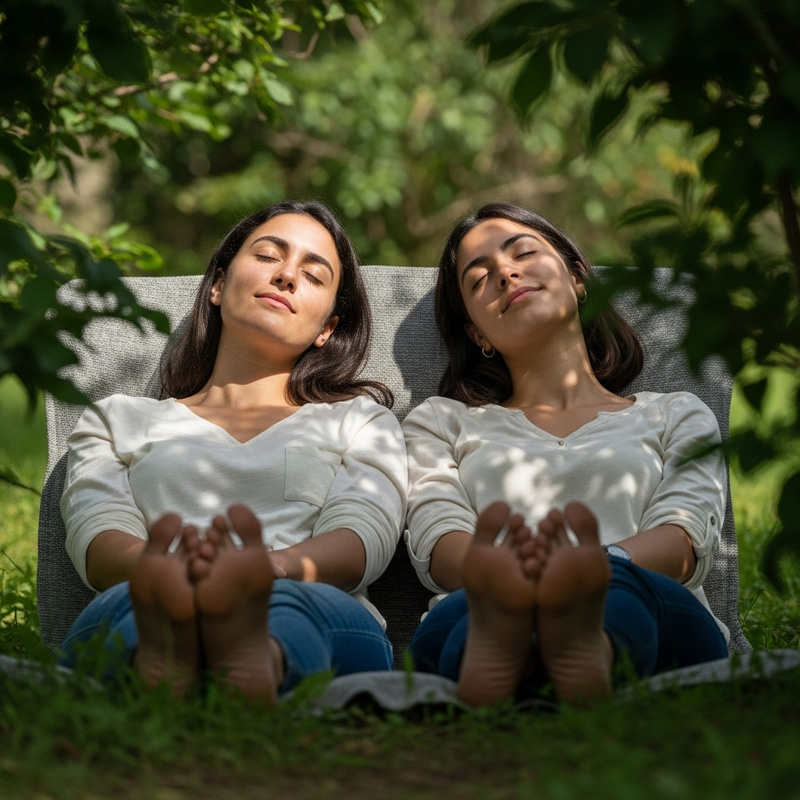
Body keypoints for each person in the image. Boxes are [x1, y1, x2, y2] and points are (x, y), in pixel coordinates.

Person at [59, 200, 407, 704]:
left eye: (313, 275)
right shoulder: (117, 420)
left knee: (291, 608)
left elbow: (363, 538)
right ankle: (171, 653)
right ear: (218, 285)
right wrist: (170, 574)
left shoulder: (359, 419)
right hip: (150, 589)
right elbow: (97, 534)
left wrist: (262, 571)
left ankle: (252, 658)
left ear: (327, 327)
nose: (287, 275)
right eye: (268, 255)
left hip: (305, 597)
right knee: (136, 605)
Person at [402, 202, 729, 708]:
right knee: (480, 608)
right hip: (485, 597)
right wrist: (511, 579)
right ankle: (522, 652)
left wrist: (586, 569)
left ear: (578, 280)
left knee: (617, 586)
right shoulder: (440, 423)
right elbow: (440, 548)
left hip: (644, 599)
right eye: (479, 278)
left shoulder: (677, 415)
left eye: (522, 253)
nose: (505, 273)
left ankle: (571, 650)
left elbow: (685, 542)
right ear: (478, 334)